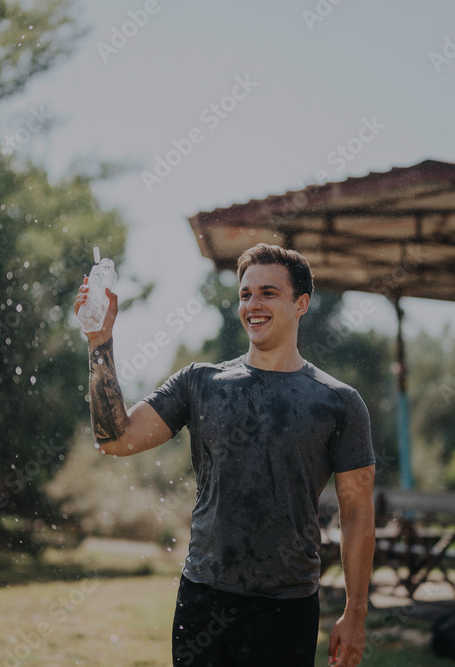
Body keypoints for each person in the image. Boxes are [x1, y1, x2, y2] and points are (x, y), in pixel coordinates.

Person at [74, 243, 376, 666]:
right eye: (246, 294)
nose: (253, 304)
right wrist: (100, 342)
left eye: (269, 293)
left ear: (301, 304)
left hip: (287, 607)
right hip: (204, 598)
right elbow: (115, 439)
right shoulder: (199, 383)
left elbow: (358, 512)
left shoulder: (339, 402)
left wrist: (355, 612)